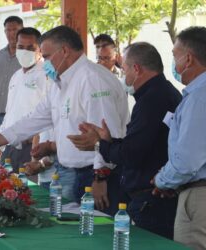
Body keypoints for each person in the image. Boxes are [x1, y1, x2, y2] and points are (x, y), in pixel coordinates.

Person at [0, 26, 129, 203]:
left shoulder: (93, 79)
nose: (44, 62)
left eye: (46, 56)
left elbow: (108, 134)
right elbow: (34, 119)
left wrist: (101, 177)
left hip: (97, 177)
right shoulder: (60, 82)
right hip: (74, 173)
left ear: (64, 51)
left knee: (100, 229)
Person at [69, 42, 182, 238]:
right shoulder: (161, 92)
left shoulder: (153, 99)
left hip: (153, 198)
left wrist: (99, 144)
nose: (123, 73)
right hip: (152, 194)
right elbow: (140, 143)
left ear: (136, 69)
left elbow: (132, 153)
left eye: (124, 68)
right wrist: (109, 141)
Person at [154, 26, 206, 248]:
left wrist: (162, 180)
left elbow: (187, 161)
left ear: (189, 58)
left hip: (199, 197)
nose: (174, 63)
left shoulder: (199, 98)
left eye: (175, 55)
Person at [0, 27, 51, 173]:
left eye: (30, 48)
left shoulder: (46, 75)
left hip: (32, 148)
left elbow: (48, 115)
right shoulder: (16, 75)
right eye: (21, 47)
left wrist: (36, 156)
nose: (25, 51)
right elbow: (10, 112)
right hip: (9, 145)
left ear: (39, 49)